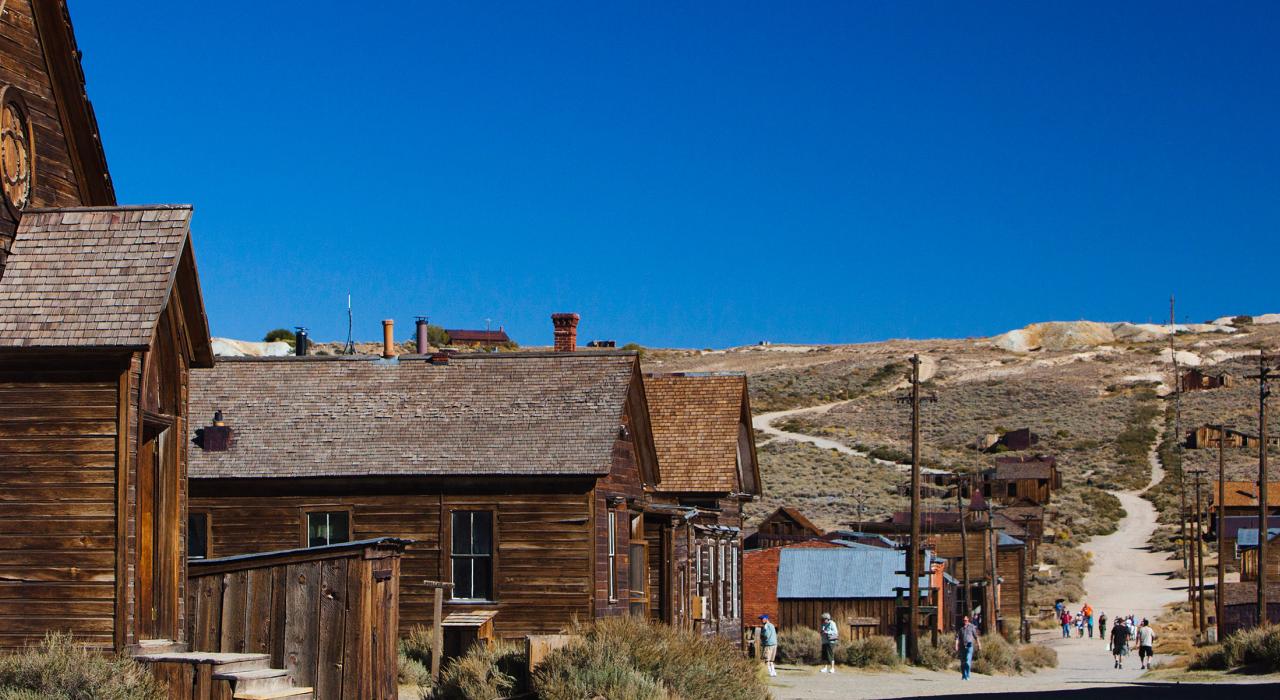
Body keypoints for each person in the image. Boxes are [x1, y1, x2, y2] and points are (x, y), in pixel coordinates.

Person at [954, 614, 981, 680]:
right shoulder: (960, 628)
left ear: (968, 620)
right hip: (962, 646)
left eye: (966, 620)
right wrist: (956, 645)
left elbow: (976, 637)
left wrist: (979, 645)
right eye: (964, 620)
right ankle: (964, 675)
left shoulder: (972, 627)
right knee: (962, 662)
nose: (965, 621)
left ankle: (968, 675)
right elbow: (957, 638)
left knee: (967, 660)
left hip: (969, 645)